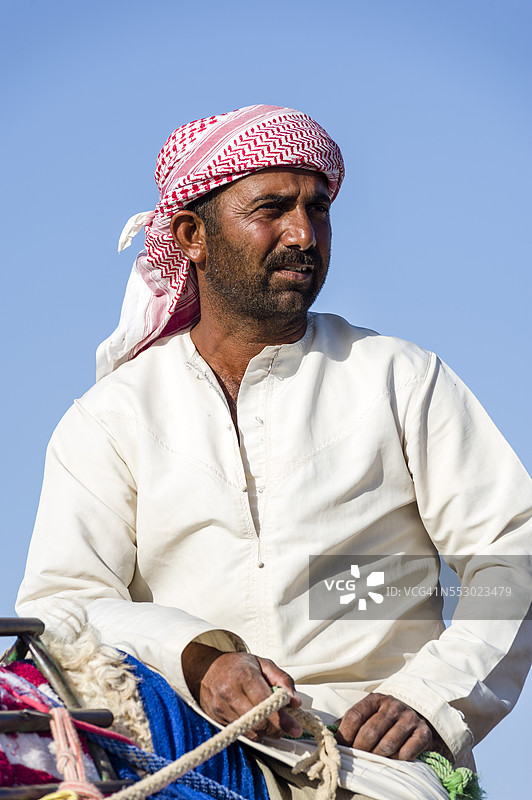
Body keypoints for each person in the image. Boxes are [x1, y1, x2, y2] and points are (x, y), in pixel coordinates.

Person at [16, 105, 532, 799]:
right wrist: (198, 657)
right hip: (186, 750)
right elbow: (64, 606)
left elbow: (513, 555)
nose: (303, 234)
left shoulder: (397, 378)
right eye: (272, 209)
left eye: (317, 210)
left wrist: (435, 696)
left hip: (372, 767)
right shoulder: (112, 418)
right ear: (192, 235)